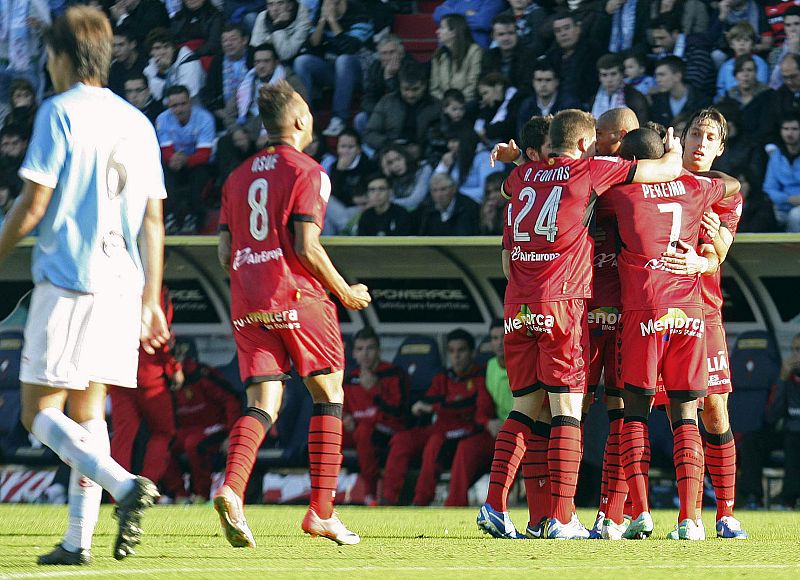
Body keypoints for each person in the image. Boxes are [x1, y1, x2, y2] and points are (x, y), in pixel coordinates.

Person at [0, 6, 167, 564]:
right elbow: (152, 220)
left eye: (50, 56)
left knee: (38, 413)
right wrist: (151, 298)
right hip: (123, 285)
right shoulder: (138, 122)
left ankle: (124, 485)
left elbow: (33, 203)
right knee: (89, 413)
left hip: (70, 279)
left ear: (63, 58)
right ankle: (78, 542)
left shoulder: (59, 111)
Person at [478, 108, 684, 540]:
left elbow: (508, 187)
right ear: (584, 143)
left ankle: (495, 506)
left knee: (524, 408)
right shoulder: (588, 171)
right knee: (569, 411)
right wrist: (674, 148)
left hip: (518, 306)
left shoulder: (521, 177)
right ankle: (562, 517)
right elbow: (665, 170)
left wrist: (518, 160)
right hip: (563, 303)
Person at [214, 80, 371, 548]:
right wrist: (345, 291)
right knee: (329, 392)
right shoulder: (309, 171)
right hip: (297, 295)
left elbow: (224, 251)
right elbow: (306, 245)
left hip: (247, 299)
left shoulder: (237, 176)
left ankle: (232, 488)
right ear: (301, 120)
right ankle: (321, 512)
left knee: (263, 401)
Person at [605, 121, 739, 541]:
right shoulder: (698, 188)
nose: (700, 143)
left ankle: (643, 512)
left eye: (710, 137)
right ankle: (689, 519)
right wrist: (674, 162)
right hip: (689, 312)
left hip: (648, 310)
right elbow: (732, 183)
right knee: (685, 415)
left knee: (636, 411)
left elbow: (583, 189)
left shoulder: (620, 191)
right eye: (694, 135)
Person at [382, 328, 494, 506]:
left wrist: (436, 407)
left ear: (472, 353)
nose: (456, 356)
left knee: (437, 442)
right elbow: (426, 403)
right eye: (452, 351)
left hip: (467, 430)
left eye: (461, 350)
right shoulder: (444, 376)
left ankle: (426, 502)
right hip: (441, 427)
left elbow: (472, 408)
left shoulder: (480, 376)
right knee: (402, 440)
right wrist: (433, 406)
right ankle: (388, 500)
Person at [109, 286, 178, 498]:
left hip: (118, 373)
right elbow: (161, 335)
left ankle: (116, 492)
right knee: (163, 432)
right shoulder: (156, 292)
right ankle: (146, 488)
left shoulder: (116, 287)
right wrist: (174, 368)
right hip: (150, 376)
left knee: (123, 434)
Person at [162, 345, 243, 502]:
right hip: (186, 430)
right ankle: (180, 496)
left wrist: (232, 434)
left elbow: (231, 400)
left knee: (194, 444)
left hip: (214, 427)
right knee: (161, 446)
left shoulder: (202, 376)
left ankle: (201, 495)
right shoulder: (162, 380)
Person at [342, 327, 411, 503]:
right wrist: (345, 417)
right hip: (358, 431)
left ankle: (370, 494)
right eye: (360, 349)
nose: (365, 354)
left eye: (370, 348)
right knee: (323, 434)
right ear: (354, 353)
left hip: (387, 430)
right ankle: (320, 494)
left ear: (379, 351)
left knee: (364, 432)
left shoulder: (394, 373)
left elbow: (399, 412)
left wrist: (375, 389)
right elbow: (343, 408)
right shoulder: (350, 378)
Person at [293, 0, 373, 137]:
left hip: (360, 71)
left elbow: (350, 48)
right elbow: (311, 46)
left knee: (344, 60)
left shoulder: (359, 12)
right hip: (334, 71)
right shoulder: (321, 9)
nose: (326, 5)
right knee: (302, 62)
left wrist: (332, 21)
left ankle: (339, 118)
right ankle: (306, 117)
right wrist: (322, 21)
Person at [156, 84, 215, 234]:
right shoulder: (162, 119)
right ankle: (170, 216)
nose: (180, 109)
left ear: (190, 102)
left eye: (183, 104)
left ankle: (195, 217)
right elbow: (166, 151)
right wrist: (174, 160)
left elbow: (204, 154)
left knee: (200, 173)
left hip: (198, 163)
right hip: (175, 163)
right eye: (174, 106)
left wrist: (185, 160)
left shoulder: (205, 118)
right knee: (162, 168)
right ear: (169, 106)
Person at [363, 61, 441, 154]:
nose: (410, 95)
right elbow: (369, 133)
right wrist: (389, 144)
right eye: (406, 89)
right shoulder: (387, 102)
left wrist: (422, 149)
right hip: (389, 152)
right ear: (400, 86)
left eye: (415, 89)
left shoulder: (435, 106)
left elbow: (438, 138)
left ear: (424, 85)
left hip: (423, 156)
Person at [767, 332, 800, 509]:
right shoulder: (786, 378)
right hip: (788, 431)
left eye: (799, 350)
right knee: (752, 441)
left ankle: (789, 498)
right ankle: (751, 498)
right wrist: (782, 379)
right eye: (794, 350)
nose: (796, 355)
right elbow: (772, 415)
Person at [430, 14, 484, 102]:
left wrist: (456, 103)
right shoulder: (438, 54)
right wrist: (446, 103)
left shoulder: (474, 51)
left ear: (454, 32)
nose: (437, 31)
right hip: (442, 104)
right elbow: (434, 88)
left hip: (466, 103)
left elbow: (473, 85)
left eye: (442, 28)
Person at [143, 28, 205, 103]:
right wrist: (162, 72)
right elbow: (154, 96)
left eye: (166, 47)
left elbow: (187, 96)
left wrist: (167, 71)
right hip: (165, 108)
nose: (162, 52)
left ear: (173, 48)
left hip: (194, 107)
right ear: (151, 52)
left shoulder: (189, 61)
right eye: (157, 48)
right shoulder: (151, 65)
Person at [516, 62, 579, 135]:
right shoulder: (526, 105)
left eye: (548, 80)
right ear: (533, 82)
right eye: (539, 80)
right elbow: (521, 134)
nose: (543, 84)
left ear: (557, 81)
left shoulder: (570, 106)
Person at [763, 113, 800, 232]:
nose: (790, 133)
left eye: (794, 129)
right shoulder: (776, 156)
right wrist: (787, 199)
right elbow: (769, 187)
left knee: (796, 216)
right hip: (781, 206)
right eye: (786, 129)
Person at [650, 56, 710, 128]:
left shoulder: (700, 100)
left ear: (677, 76)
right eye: (656, 76)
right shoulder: (657, 101)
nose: (658, 80)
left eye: (662, 75)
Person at [591, 53, 649, 125]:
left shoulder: (635, 98)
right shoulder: (594, 100)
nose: (609, 80)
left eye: (613, 74)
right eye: (604, 75)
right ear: (599, 78)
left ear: (622, 74)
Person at [416, 173, 481, 236]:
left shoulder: (469, 208)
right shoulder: (426, 210)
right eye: (434, 190)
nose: (439, 195)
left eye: (443, 189)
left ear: (454, 189)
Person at [108, 25, 147, 97]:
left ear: (133, 44)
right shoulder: (114, 69)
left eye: (121, 45)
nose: (116, 50)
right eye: (113, 46)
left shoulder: (147, 65)